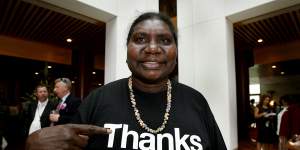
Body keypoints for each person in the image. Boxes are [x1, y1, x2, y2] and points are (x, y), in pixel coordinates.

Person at [26, 12, 227, 150]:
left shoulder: (196, 101)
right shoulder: (97, 99)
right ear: (127, 50)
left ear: (176, 53)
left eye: (165, 40)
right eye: (140, 39)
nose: (153, 48)